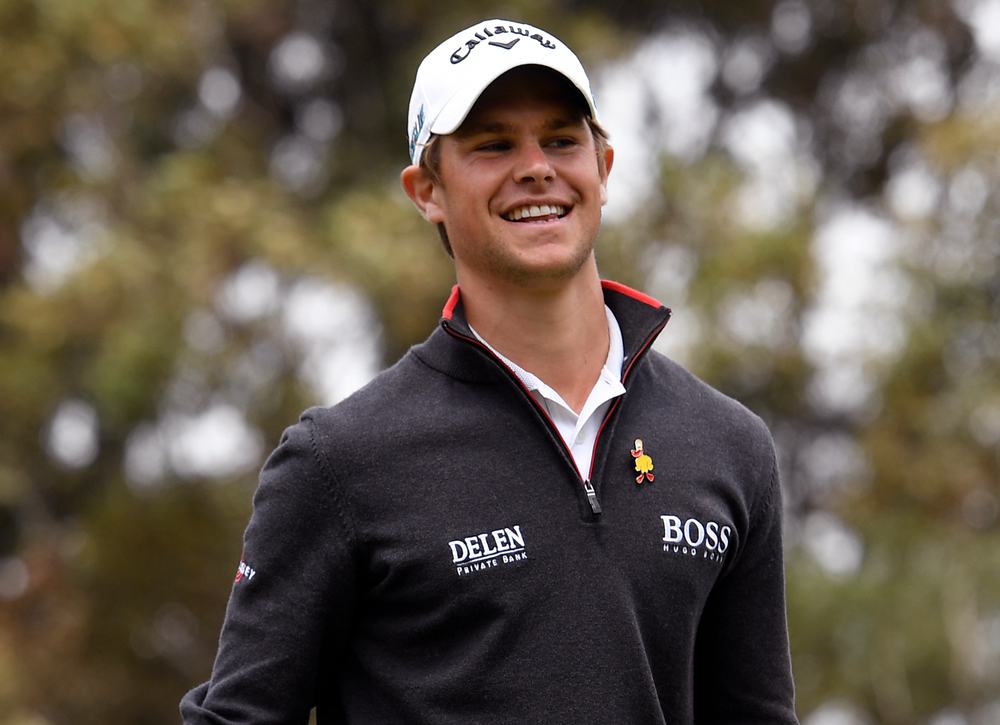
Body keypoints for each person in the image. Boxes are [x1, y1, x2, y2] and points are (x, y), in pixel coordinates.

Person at [181, 18, 799, 725]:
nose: (535, 167)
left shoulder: (729, 445)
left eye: (561, 140)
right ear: (427, 191)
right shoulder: (338, 463)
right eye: (493, 144)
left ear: (604, 168)